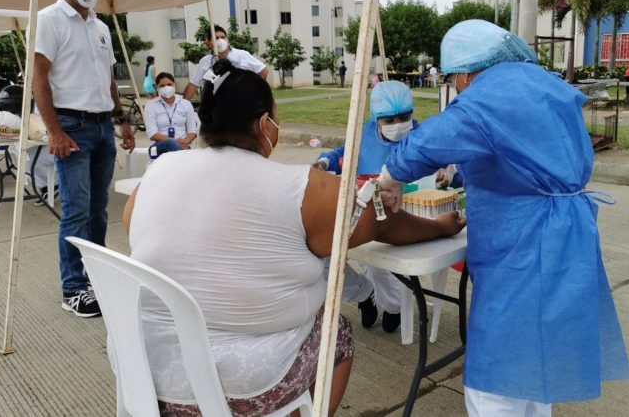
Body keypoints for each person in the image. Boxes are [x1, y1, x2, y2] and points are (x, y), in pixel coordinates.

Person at [122, 58, 465, 416]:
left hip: (146, 370)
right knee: (338, 334)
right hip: (243, 382)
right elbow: (381, 223)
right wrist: (440, 226)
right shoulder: (300, 187)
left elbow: (135, 227)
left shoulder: (159, 171)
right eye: (275, 116)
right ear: (262, 124)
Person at [377, 20, 629, 416]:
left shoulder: (488, 95)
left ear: (463, 72)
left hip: (524, 239)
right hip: (566, 229)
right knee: (537, 359)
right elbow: (520, 154)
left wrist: (390, 177)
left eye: (454, 80)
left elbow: (431, 140)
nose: (457, 88)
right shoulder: (542, 84)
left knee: (497, 378)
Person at [34, 0, 136, 317]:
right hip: (72, 126)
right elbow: (39, 77)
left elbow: (107, 78)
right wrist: (54, 131)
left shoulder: (100, 26)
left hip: (101, 126)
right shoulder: (49, 20)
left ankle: (96, 276)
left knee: (98, 210)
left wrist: (121, 118)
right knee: (76, 211)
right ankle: (73, 288)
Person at [312, 81, 418, 332]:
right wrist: (325, 163)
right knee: (321, 256)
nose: (397, 124)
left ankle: (394, 307)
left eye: (404, 117)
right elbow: (343, 153)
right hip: (364, 208)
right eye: (389, 120)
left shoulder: (420, 137)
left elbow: (443, 165)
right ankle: (362, 295)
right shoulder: (364, 133)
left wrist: (447, 172)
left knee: (380, 266)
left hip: (403, 213)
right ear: (376, 118)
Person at [182, 25, 268, 100]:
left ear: (228, 40)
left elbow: (263, 70)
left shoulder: (241, 55)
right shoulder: (205, 61)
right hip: (218, 107)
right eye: (216, 38)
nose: (220, 40)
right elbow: (193, 85)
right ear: (209, 42)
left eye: (223, 37)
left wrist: (254, 91)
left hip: (242, 103)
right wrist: (183, 105)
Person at [145, 72, 198, 157]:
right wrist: (175, 142)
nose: (166, 88)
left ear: (174, 85)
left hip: (183, 145)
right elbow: (152, 134)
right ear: (156, 87)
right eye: (162, 86)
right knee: (171, 144)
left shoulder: (185, 104)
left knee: (175, 147)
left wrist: (186, 141)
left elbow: (192, 131)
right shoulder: (151, 106)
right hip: (158, 147)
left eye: (169, 84)